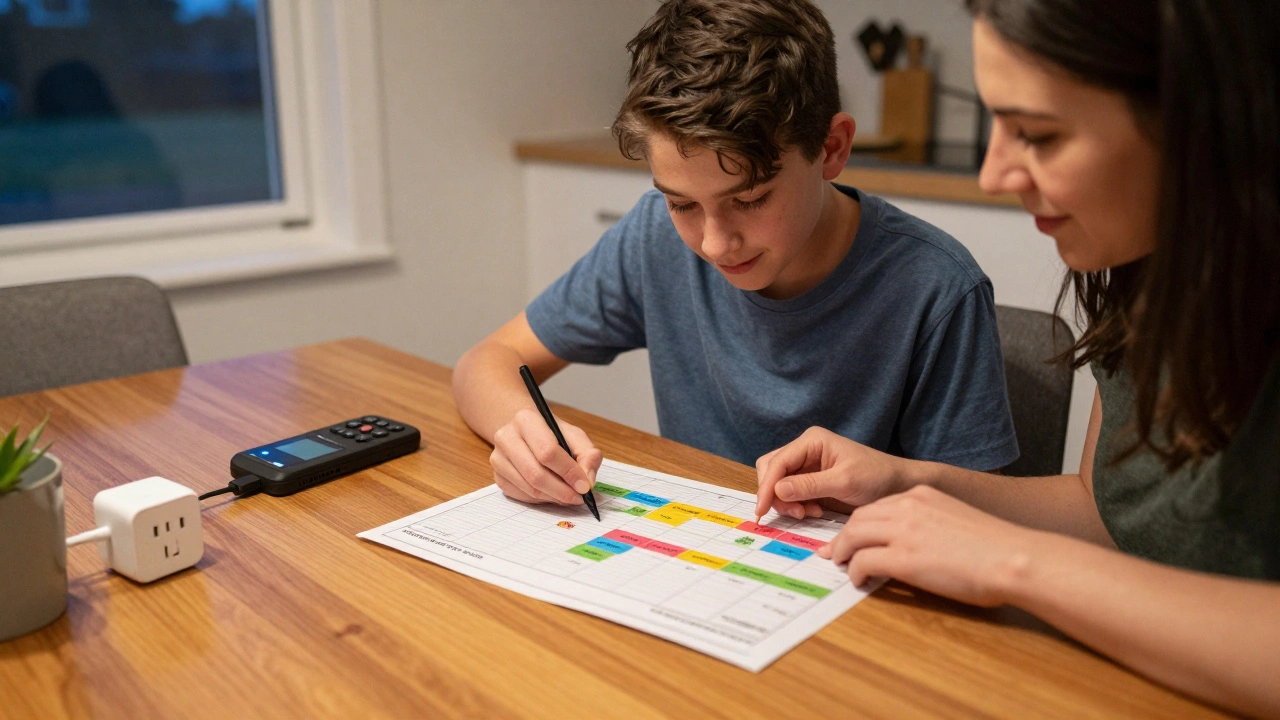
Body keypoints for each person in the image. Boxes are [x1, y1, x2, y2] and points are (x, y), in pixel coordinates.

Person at [755, 1, 1280, 715]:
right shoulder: (1149, 271)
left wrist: (1013, 563)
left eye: (1036, 133)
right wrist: (909, 481)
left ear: (1204, 121)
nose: (993, 174)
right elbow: (1109, 510)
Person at [452, 0, 1019, 507]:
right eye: (682, 204)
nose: (715, 244)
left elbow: (976, 519)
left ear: (832, 148)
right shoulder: (653, 239)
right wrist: (524, 435)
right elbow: (488, 361)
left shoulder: (937, 287)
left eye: (748, 198)